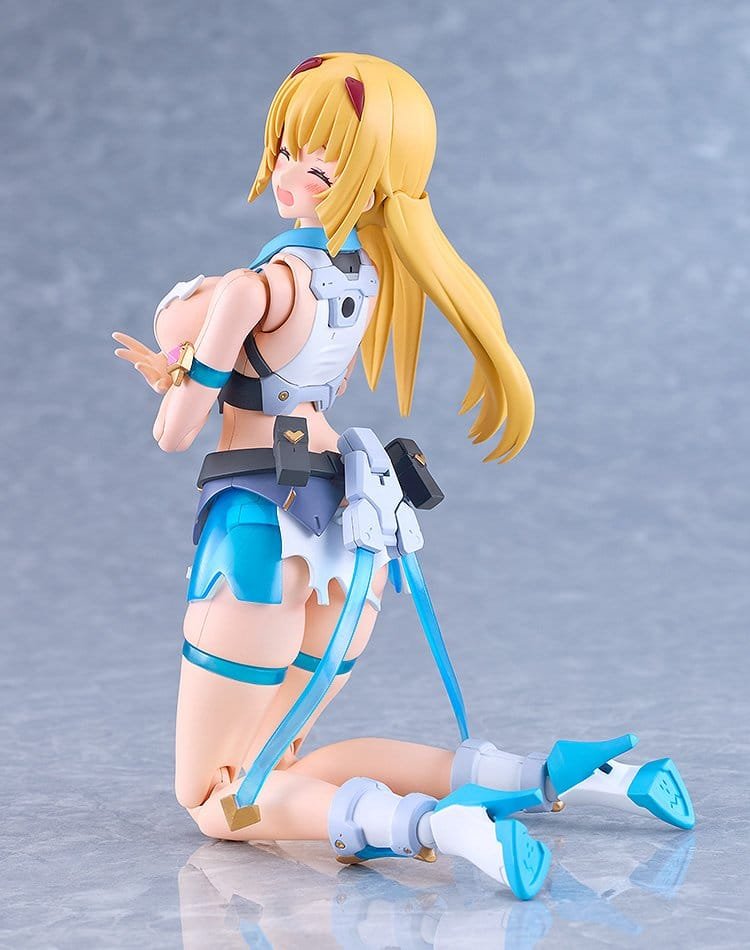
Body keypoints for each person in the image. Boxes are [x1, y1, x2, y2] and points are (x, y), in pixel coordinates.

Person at [114, 53, 693, 901]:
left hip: (256, 537)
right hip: (351, 537)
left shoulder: (252, 288)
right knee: (282, 759)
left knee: (213, 796)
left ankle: (433, 827)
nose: (288, 176)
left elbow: (174, 435)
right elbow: (317, 389)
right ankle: (551, 776)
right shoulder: (363, 279)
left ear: (366, 181)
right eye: (286, 152)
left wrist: (177, 371)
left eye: (317, 168)